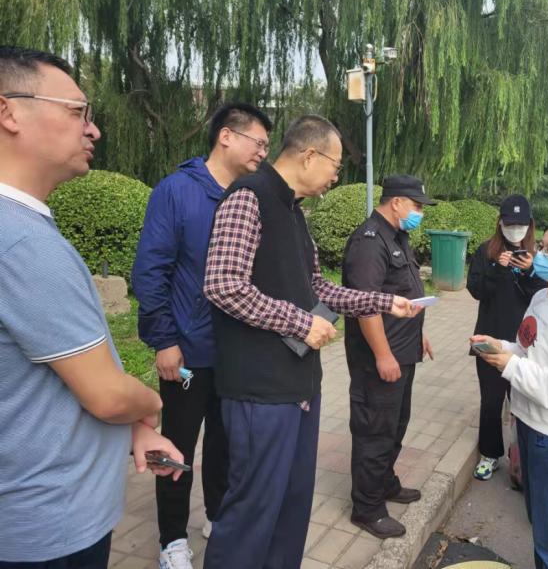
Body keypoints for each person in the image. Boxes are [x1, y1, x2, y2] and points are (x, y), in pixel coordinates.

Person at [202, 114, 418, 569]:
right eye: (335, 166)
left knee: (293, 503)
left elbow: (317, 287)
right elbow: (223, 284)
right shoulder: (248, 198)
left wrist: (382, 301)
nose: (336, 177)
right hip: (259, 390)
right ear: (309, 155)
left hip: (299, 384)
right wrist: (300, 323)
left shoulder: (294, 212)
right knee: (253, 509)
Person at [0, 46, 183, 567]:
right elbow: (105, 394)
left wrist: (133, 429)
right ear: (8, 111)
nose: (94, 130)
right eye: (77, 112)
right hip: (47, 523)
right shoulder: (23, 245)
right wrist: (150, 405)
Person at [132, 102, 272, 568]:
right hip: (188, 350)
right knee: (177, 445)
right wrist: (164, 340)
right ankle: (172, 540)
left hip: (235, 352)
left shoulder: (249, 197)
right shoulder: (177, 191)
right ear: (226, 136)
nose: (263, 153)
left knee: (226, 444)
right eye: (258, 142)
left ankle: (216, 514)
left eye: (268, 147)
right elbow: (151, 271)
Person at [472, 220, 548, 569]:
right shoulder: (541, 297)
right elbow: (527, 349)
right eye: (542, 246)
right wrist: (500, 347)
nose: (540, 255)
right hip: (529, 422)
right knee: (541, 524)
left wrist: (511, 366)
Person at [341, 175, 436, 539]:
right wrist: (383, 355)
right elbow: (366, 306)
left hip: (403, 350)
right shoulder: (369, 242)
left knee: (395, 426)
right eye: (416, 206)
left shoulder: (397, 236)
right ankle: (367, 508)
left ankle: (384, 482)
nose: (420, 213)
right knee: (375, 432)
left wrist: (419, 333)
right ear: (396, 202)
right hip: (379, 359)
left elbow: (404, 294)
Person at [466, 194, 546, 481]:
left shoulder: (538, 255)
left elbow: (544, 294)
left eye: (520, 225)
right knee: (491, 401)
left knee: (523, 402)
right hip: (490, 336)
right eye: (510, 224)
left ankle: (522, 455)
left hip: (525, 341)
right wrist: (498, 269)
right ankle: (490, 454)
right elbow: (476, 290)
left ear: (529, 225)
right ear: (500, 223)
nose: (515, 230)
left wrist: (529, 271)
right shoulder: (486, 251)